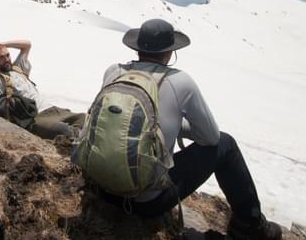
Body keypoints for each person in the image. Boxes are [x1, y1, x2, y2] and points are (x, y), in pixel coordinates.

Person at [75, 19, 282, 240]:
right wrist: (179, 127)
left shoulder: (114, 71)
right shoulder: (180, 81)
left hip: (101, 187)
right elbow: (210, 137)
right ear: (169, 53)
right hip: (147, 201)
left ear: (137, 48)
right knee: (226, 144)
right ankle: (251, 226)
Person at [0, 40, 85, 139]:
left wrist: (3, 44)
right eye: (1, 57)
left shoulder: (18, 68)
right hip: (36, 117)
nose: (6, 59)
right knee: (63, 130)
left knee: (83, 118)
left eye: (7, 55)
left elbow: (27, 45)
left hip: (51, 109)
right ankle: (79, 140)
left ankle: (80, 136)